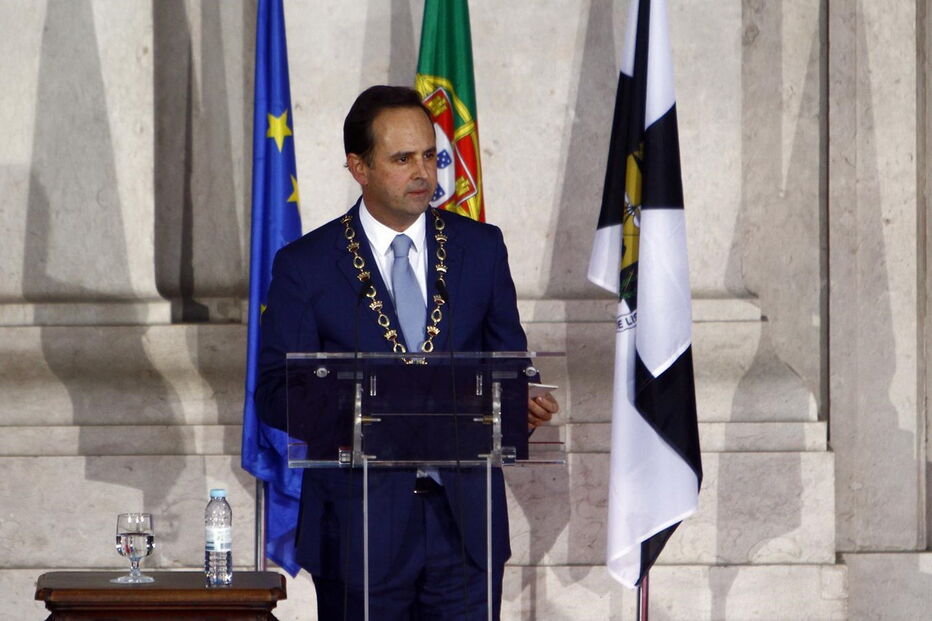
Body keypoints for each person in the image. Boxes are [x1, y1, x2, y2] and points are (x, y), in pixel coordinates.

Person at [256, 85, 558, 620]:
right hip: (357, 529)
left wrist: (522, 401)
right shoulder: (307, 265)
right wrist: (383, 413)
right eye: (402, 159)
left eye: (429, 156)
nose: (423, 173)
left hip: (465, 529)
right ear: (359, 167)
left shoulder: (481, 249)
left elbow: (510, 361)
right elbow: (278, 394)